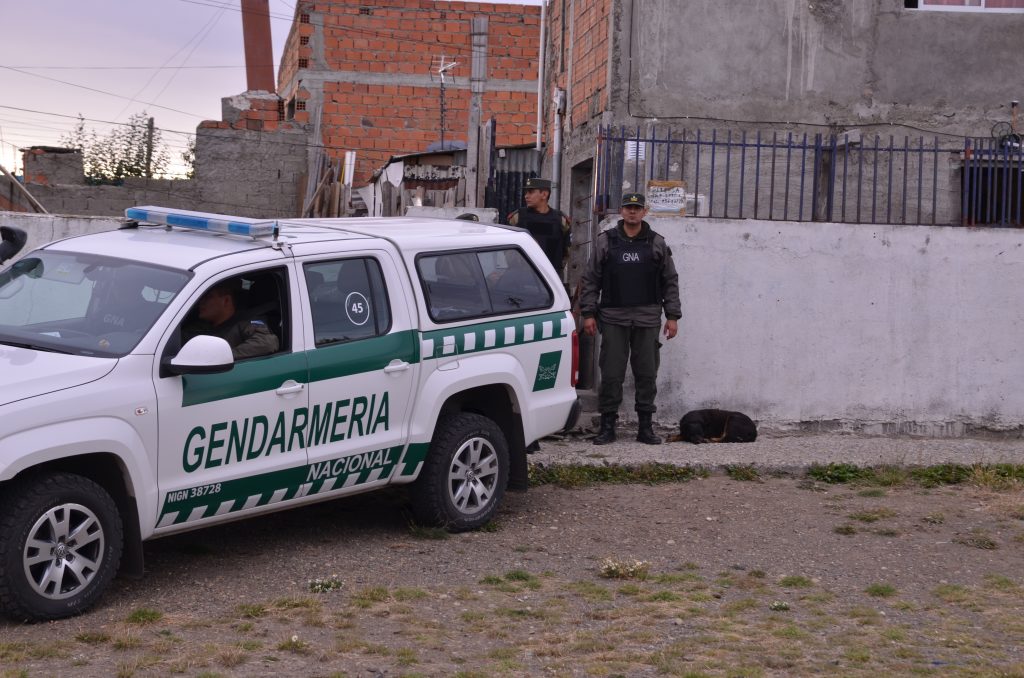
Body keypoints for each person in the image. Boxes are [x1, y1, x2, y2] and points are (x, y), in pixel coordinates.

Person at [579, 192, 681, 445]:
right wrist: (588, 313)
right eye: (628, 208)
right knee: (612, 374)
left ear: (644, 211)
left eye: (637, 208)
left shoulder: (656, 242)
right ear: (621, 211)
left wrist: (673, 316)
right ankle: (607, 427)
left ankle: (645, 428)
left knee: (646, 374)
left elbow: (670, 281)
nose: (632, 212)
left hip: (647, 318)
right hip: (614, 317)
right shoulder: (606, 242)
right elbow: (591, 279)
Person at [182, 279, 279, 359]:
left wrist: (224, 357)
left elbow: (267, 343)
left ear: (226, 301)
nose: (201, 302)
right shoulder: (198, 325)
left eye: (208, 297)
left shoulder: (245, 323)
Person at [507, 177, 571, 278]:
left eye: (531, 192)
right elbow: (508, 249)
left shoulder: (561, 220)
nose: (526, 196)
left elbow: (566, 250)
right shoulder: (517, 218)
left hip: (551, 276)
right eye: (526, 192)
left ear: (544, 194)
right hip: (521, 276)